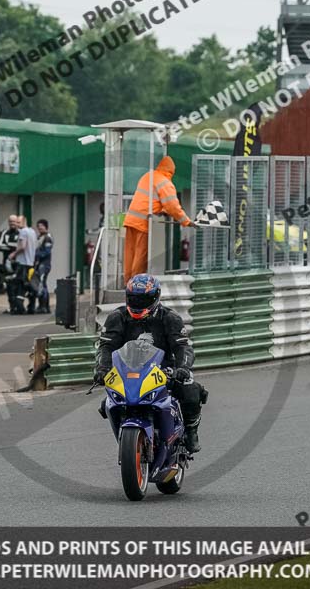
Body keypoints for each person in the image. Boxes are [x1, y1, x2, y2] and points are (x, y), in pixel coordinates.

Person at [93, 273, 206, 453]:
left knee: (191, 391)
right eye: (134, 299)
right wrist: (102, 368)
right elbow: (106, 347)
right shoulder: (117, 317)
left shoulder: (170, 318)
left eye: (143, 299)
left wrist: (183, 368)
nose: (138, 304)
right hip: (128, 370)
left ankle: (191, 432)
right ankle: (127, 439)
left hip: (163, 370)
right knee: (107, 403)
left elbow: (183, 347)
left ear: (155, 297)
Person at [123, 155, 196, 282]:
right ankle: (135, 284)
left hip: (131, 220)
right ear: (171, 171)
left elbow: (150, 199)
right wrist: (186, 221)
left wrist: (161, 209)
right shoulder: (165, 182)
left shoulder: (148, 176)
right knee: (141, 255)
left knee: (130, 253)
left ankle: (127, 281)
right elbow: (172, 206)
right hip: (144, 222)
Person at [8, 215, 36, 315]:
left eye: (19, 222)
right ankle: (31, 307)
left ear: (24, 222)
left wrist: (13, 254)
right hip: (31, 263)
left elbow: (23, 246)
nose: (17, 225)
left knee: (19, 285)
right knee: (29, 285)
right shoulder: (32, 231)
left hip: (23, 263)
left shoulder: (23, 232)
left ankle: (19, 308)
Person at [0, 215, 19, 314]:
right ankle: (11, 306)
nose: (12, 223)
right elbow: (0, 246)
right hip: (7, 263)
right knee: (9, 284)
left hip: (19, 263)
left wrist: (10, 246)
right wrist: (14, 248)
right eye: (10, 221)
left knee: (19, 284)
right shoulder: (4, 232)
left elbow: (22, 247)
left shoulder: (21, 233)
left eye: (14, 221)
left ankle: (19, 306)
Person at [33, 219, 53, 314]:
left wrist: (36, 255)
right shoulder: (39, 237)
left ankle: (44, 306)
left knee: (41, 284)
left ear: (46, 227)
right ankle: (43, 306)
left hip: (44, 265)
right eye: (38, 226)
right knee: (41, 284)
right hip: (39, 264)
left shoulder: (47, 237)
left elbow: (47, 252)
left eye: (41, 226)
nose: (40, 228)